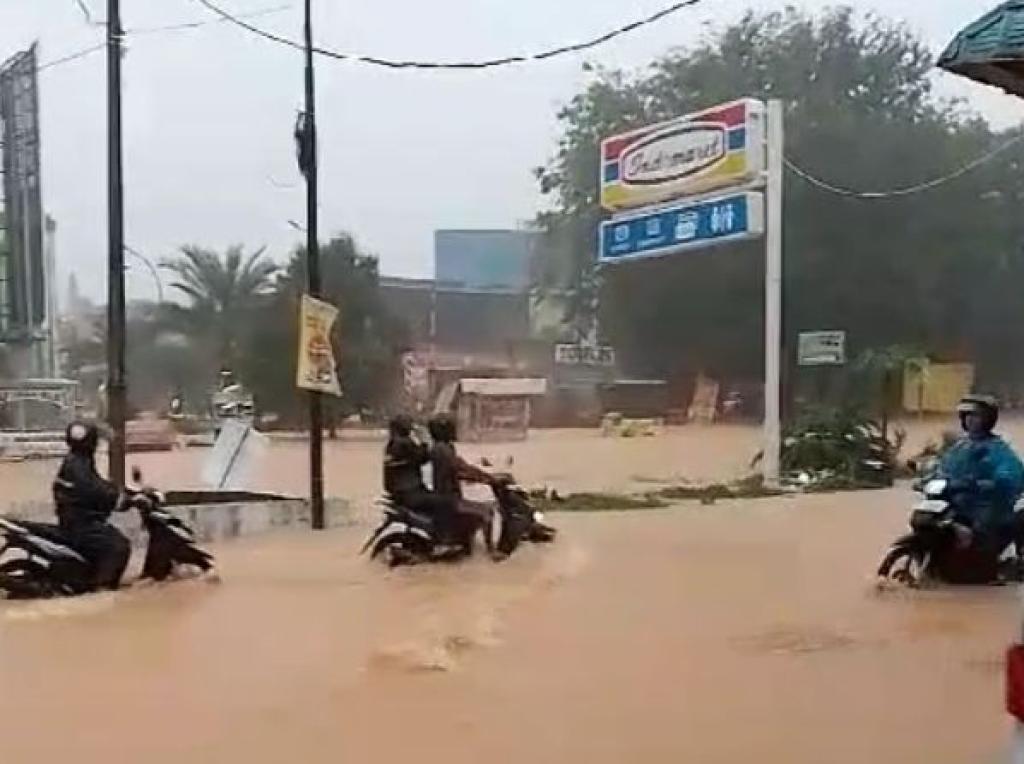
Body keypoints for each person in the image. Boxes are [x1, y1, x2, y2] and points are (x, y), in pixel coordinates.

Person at [938, 394, 1024, 579]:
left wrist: (992, 482)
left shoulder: (998, 448)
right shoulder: (960, 447)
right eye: (966, 415)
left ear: (988, 419)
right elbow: (942, 468)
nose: (970, 420)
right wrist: (926, 478)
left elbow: (1011, 473)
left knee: (982, 528)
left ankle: (987, 570)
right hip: (959, 501)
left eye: (976, 416)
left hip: (987, 504)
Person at [52, 422, 131, 590]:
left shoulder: (79, 460)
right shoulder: (78, 464)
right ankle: (102, 589)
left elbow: (96, 483)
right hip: (80, 524)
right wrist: (117, 497)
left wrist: (118, 490)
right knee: (118, 547)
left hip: (77, 520)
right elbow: (91, 489)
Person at [427, 413, 497, 550]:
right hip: (449, 499)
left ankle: (465, 543)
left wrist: (485, 476)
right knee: (487, 512)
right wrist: (487, 479)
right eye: (451, 427)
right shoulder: (442, 450)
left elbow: (462, 466)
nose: (455, 430)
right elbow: (459, 470)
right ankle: (491, 552)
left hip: (448, 496)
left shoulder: (444, 447)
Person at [383, 414, 456, 540]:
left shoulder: (393, 444)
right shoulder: (403, 443)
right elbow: (422, 457)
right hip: (410, 493)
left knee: (438, 500)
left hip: (402, 492)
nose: (411, 427)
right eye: (409, 424)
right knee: (446, 503)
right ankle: (443, 539)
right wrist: (424, 441)